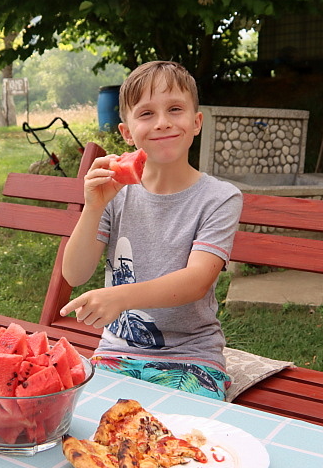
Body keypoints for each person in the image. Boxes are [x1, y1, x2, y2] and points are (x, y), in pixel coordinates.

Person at [59, 61, 243, 400]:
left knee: (183, 438)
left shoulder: (219, 198)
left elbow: (196, 281)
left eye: (175, 109)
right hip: (117, 353)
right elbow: (74, 273)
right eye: (146, 114)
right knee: (91, 427)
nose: (162, 122)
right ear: (126, 132)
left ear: (196, 122)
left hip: (192, 356)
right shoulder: (115, 193)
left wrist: (119, 297)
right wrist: (94, 206)